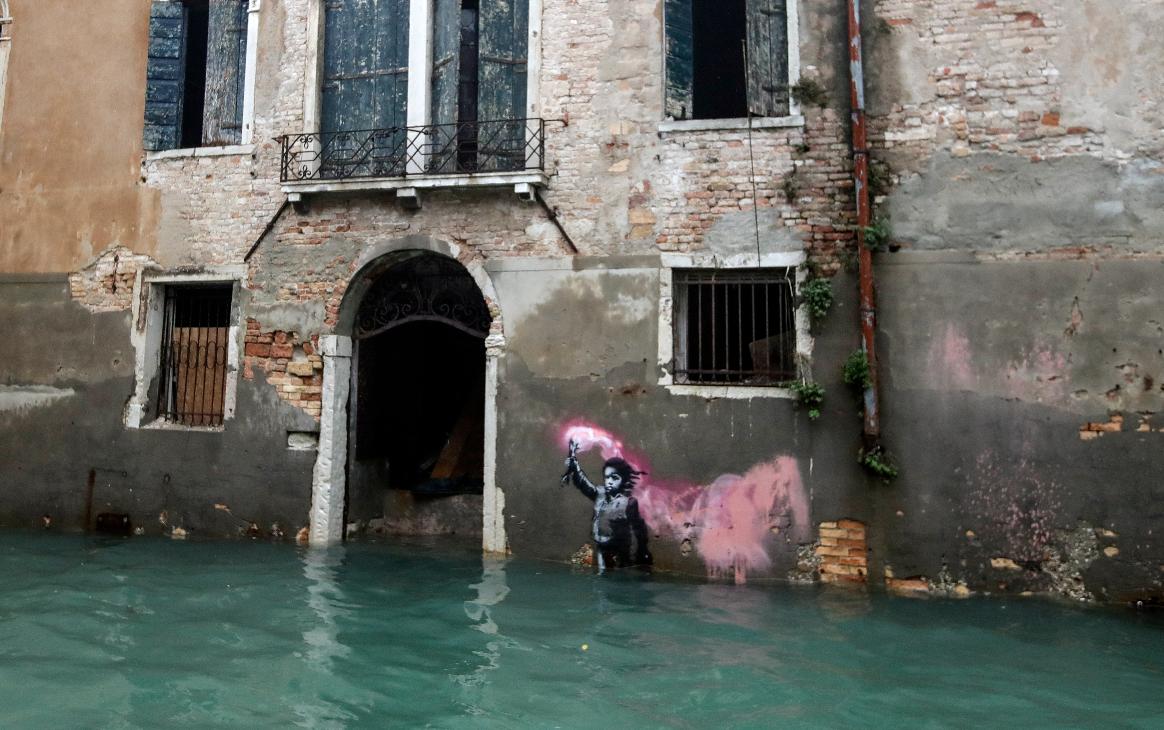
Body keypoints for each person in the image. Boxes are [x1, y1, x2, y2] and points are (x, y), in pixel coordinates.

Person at [562, 439, 652, 571]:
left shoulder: (628, 502)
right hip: (601, 545)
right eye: (607, 477)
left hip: (620, 549)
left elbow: (638, 528)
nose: (609, 481)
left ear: (624, 480)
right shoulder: (600, 493)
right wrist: (574, 463)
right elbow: (583, 483)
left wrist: (642, 550)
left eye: (614, 478)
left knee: (620, 575)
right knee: (602, 573)